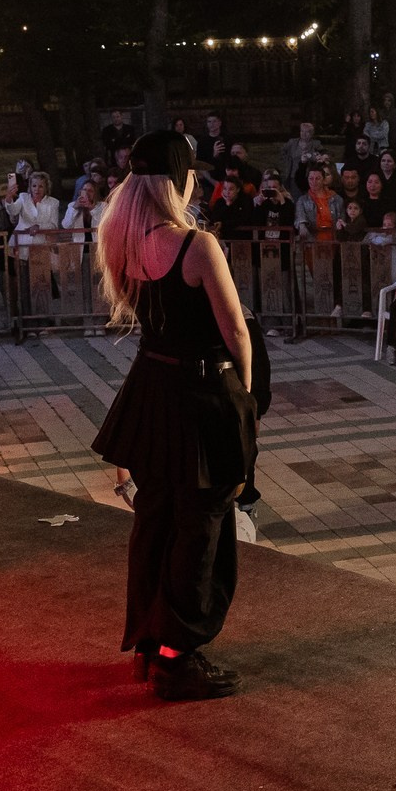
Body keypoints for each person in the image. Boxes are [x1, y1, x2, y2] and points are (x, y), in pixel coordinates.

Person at [91, 132, 258, 701]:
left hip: (151, 389)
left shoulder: (122, 239)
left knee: (156, 517)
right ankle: (177, 655)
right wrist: (248, 393)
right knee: (202, 521)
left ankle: (150, 643)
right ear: (181, 180)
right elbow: (234, 330)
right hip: (199, 394)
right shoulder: (197, 245)